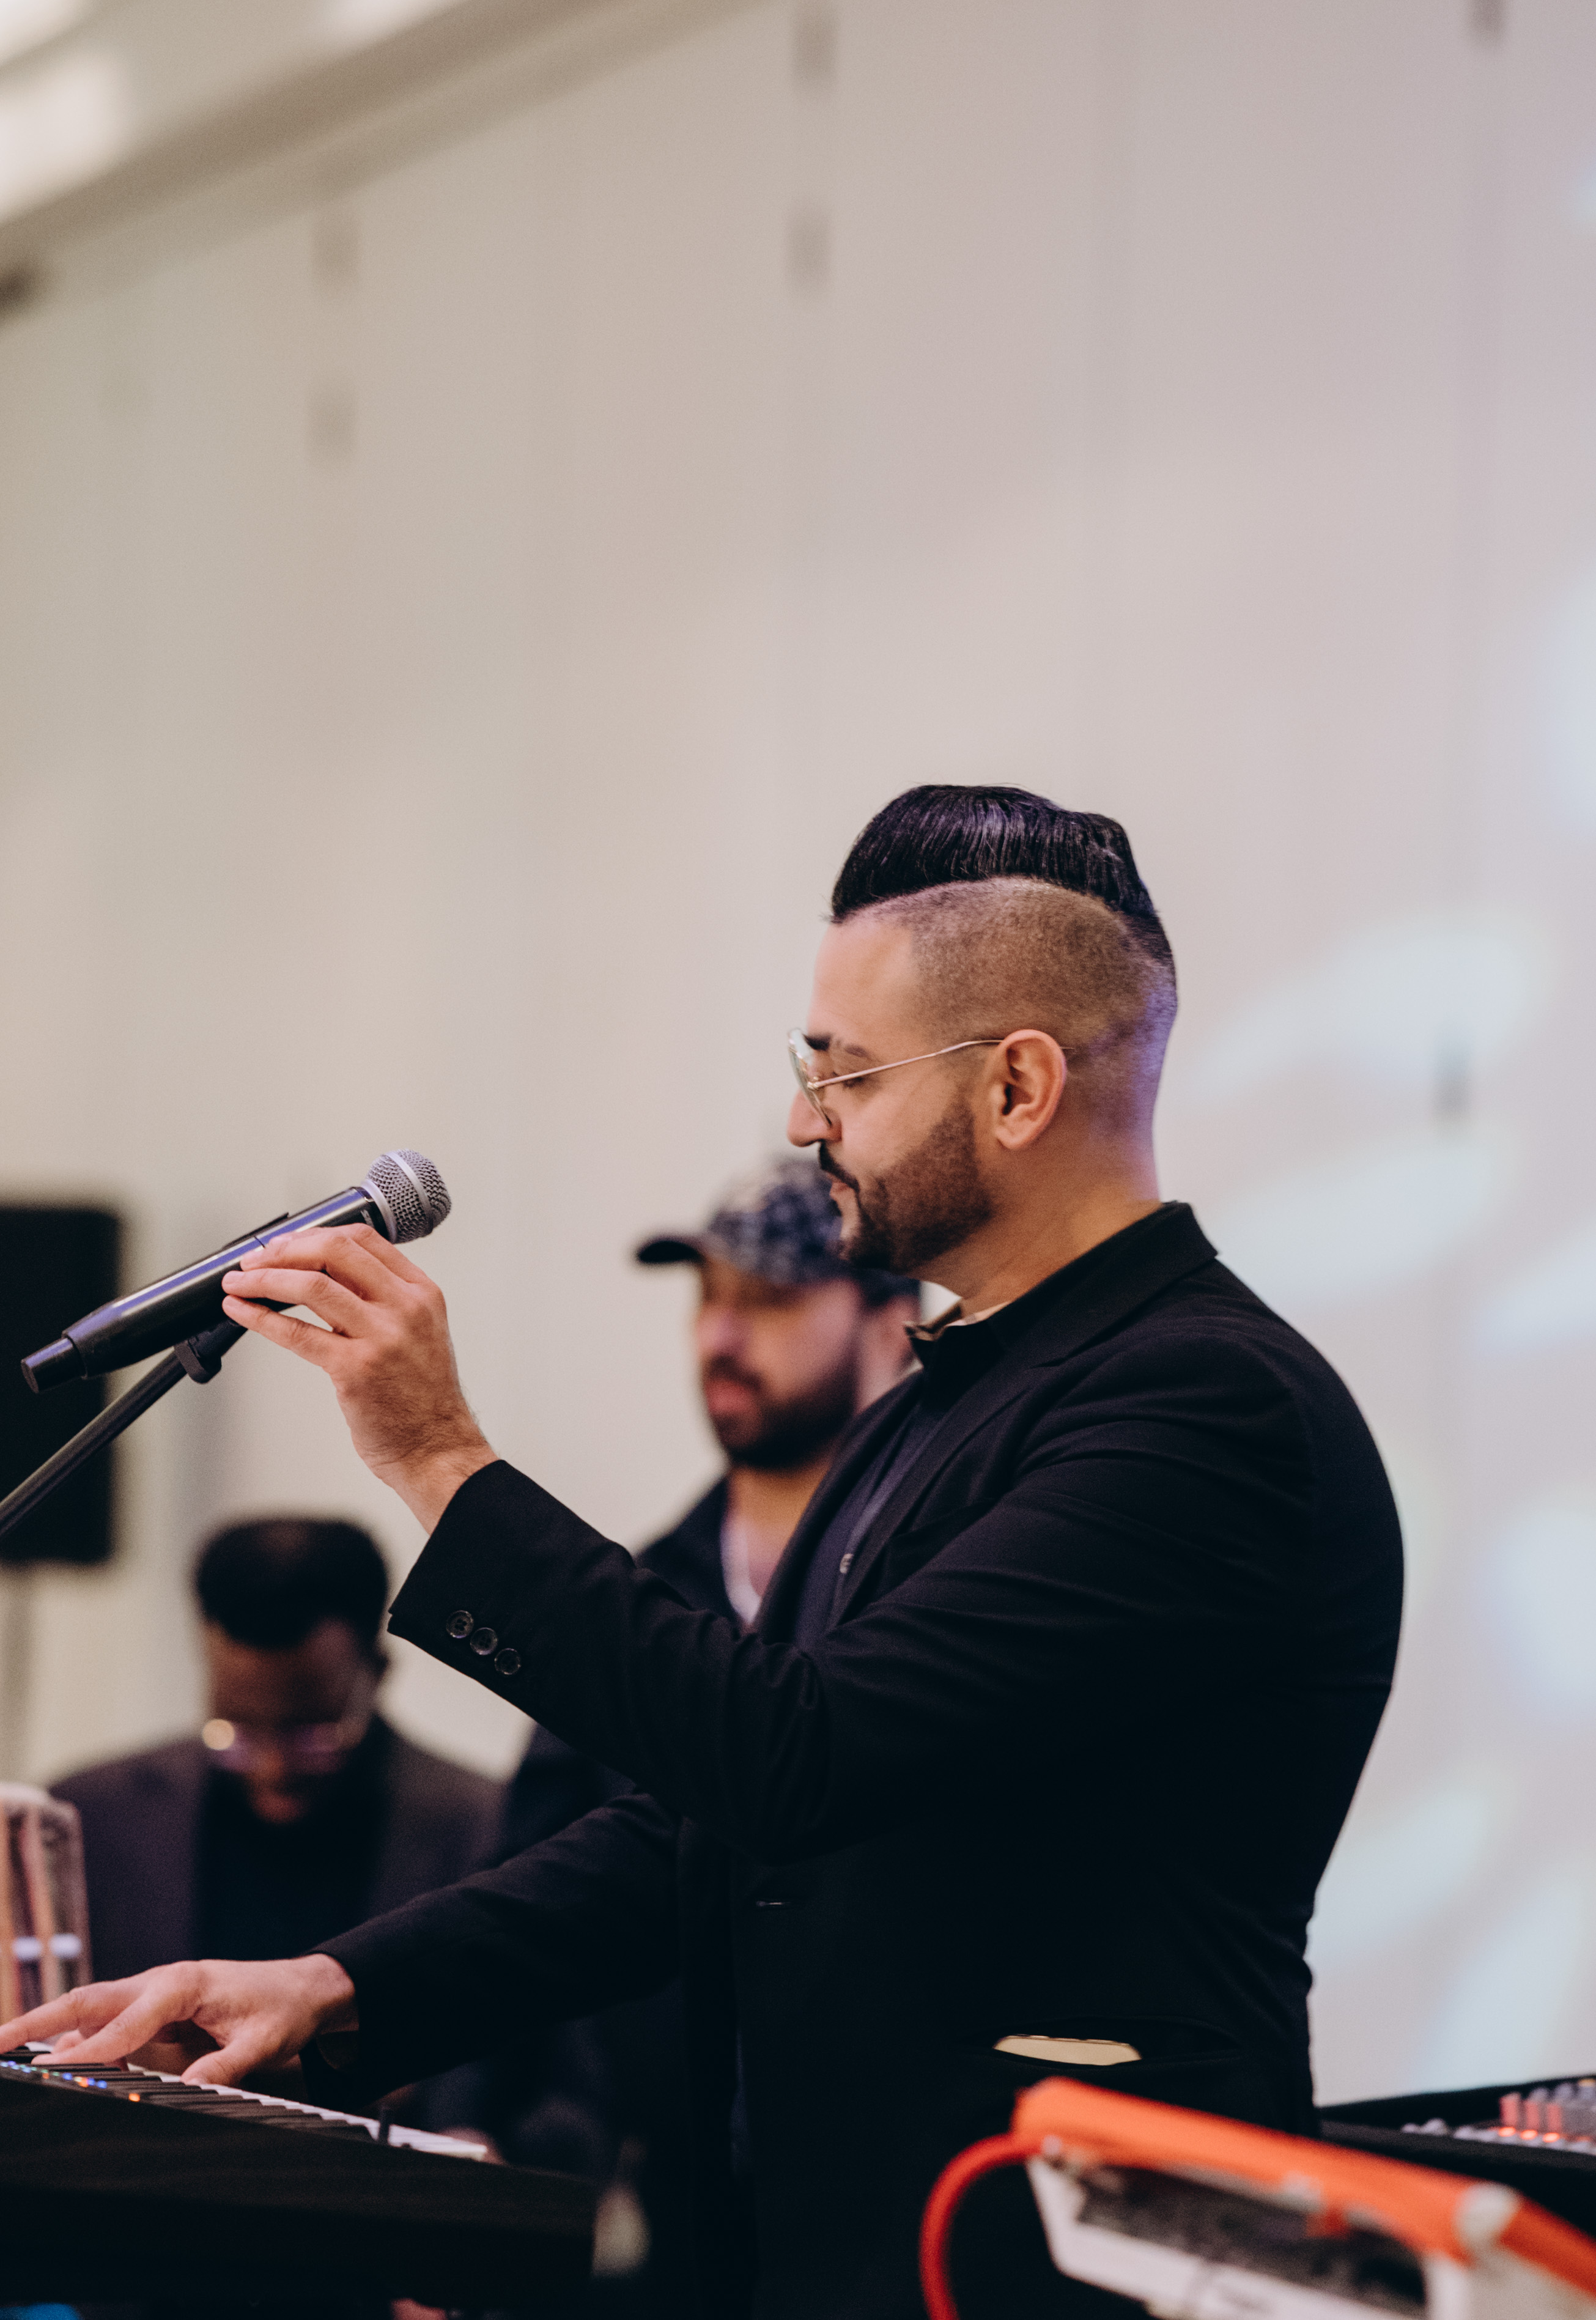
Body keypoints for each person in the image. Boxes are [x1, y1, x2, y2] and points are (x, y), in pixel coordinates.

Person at [8, 787, 1405, 2320]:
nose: (807, 1123)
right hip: (842, 2250)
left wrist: (440, 1457)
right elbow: (708, 1832)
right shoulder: (929, 1408)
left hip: (1062, 2257)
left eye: (842, 1072)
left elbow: (797, 1758)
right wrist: (334, 1986)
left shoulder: (1203, 1404)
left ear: (1017, 1085)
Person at [489, 1160, 918, 2309]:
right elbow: (534, 1862)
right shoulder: (642, 1596)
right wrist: (470, 2134)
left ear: (892, 1321)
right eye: (708, 1298)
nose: (720, 1337)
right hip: (668, 2203)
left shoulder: (943, 1585)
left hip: (900, 2189)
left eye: (769, 1299)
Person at [53, 1516, 500, 1979]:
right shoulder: (86, 1819)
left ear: (379, 1670)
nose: (273, 1770)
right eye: (237, 1731)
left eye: (312, 1735)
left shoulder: (492, 1834)